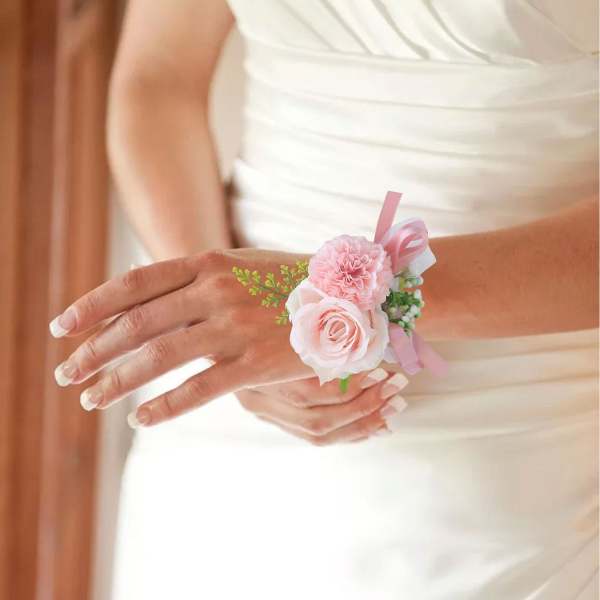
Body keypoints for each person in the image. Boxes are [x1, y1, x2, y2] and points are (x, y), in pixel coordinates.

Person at [51, 1, 599, 598]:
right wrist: (216, 317)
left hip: (511, 444)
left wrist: (352, 300)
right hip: (228, 435)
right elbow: (159, 78)